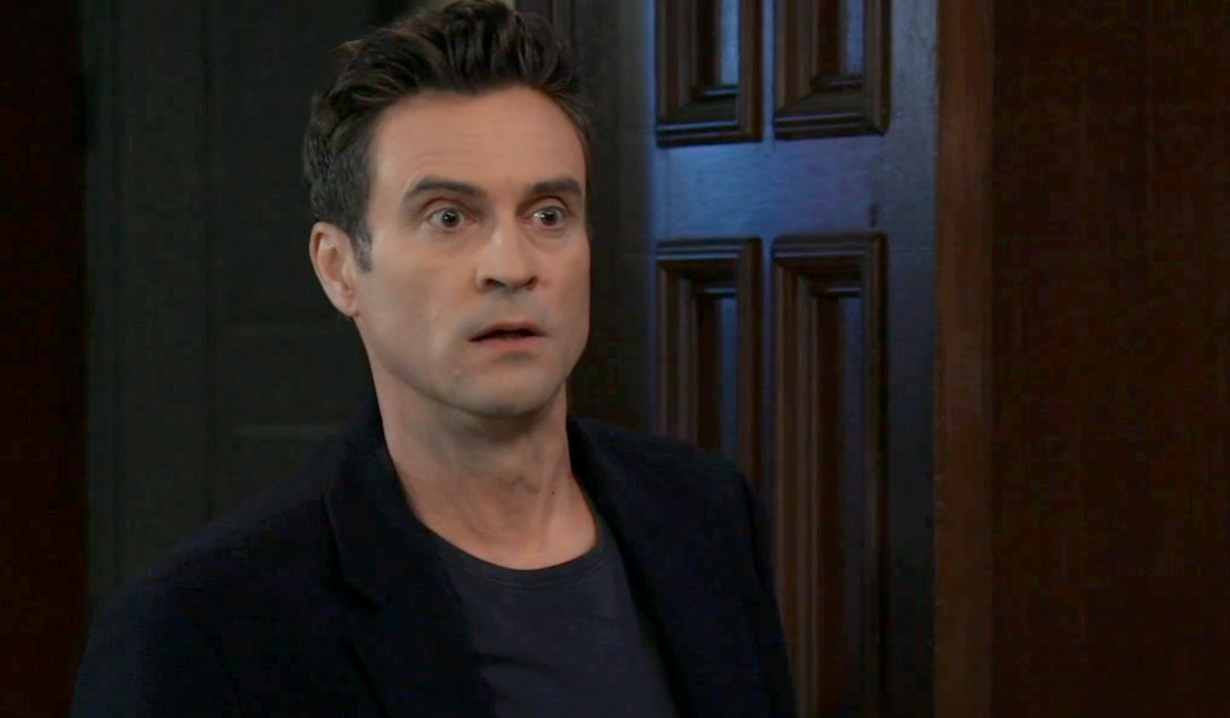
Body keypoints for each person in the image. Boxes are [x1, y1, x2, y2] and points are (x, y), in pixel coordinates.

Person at [70, 2, 796, 716]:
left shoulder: (706, 515)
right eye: (448, 217)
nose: (511, 265)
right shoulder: (199, 630)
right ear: (339, 268)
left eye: (548, 214)